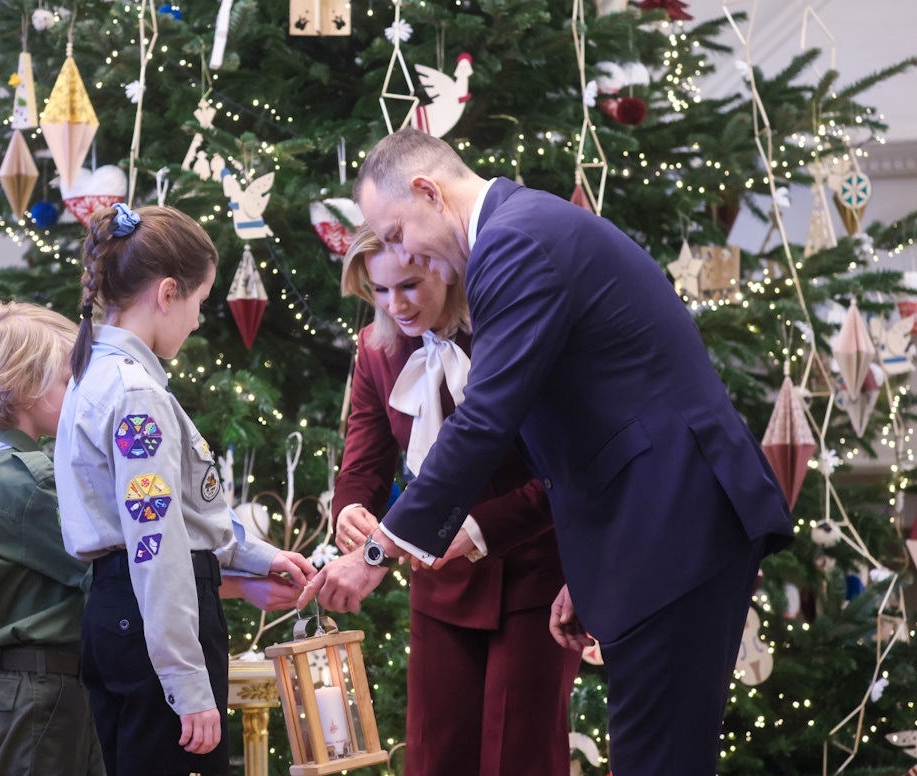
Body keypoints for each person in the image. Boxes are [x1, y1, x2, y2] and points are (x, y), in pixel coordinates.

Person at [304, 128, 795, 775]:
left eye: (396, 234)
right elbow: (582, 426)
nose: (399, 256)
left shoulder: (512, 242)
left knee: (658, 760)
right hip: (653, 523)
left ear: (429, 192)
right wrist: (589, 573)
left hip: (673, 516)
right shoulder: (523, 229)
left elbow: (486, 420)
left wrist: (378, 552)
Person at [54, 202, 317, 776]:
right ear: (168, 293)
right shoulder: (137, 394)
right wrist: (186, 681)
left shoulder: (91, 374)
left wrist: (258, 556)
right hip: (156, 623)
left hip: (118, 613)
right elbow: (157, 544)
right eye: (199, 302)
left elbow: (174, 514)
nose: (198, 322)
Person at [334, 226, 580, 776]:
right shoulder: (375, 349)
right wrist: (349, 508)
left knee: (521, 755)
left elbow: (562, 471)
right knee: (436, 753)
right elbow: (364, 461)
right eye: (379, 290)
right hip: (440, 581)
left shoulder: (508, 334)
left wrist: (481, 527)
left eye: (409, 285)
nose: (395, 305)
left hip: (536, 571)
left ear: (446, 270)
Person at [0, 301, 105, 776]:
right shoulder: (28, 479)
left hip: (33, 684)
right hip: (46, 687)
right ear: (25, 386)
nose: (78, 392)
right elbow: (102, 568)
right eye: (67, 380)